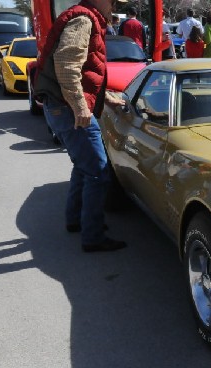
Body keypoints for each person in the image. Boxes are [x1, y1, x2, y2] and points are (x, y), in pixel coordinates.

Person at [35, 0, 127, 252]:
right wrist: (80, 107)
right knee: (98, 171)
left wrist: (106, 97)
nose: (115, 7)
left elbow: (86, 72)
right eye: (114, 2)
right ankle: (93, 236)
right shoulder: (84, 20)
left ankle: (76, 220)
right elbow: (66, 66)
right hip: (68, 110)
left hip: (60, 108)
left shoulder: (86, 18)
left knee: (84, 167)